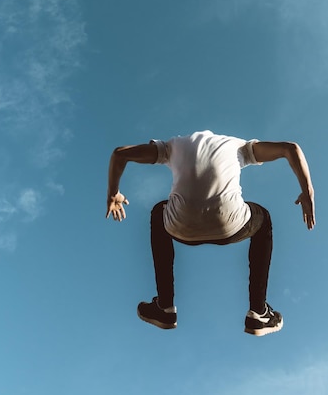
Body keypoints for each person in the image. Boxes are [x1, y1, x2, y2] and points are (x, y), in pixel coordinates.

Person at [106, 130, 315, 336]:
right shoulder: (239, 146)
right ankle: (258, 312)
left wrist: (113, 193)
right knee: (263, 218)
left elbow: (120, 153)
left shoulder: (171, 146)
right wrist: (307, 192)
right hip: (231, 224)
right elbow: (291, 148)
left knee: (159, 212)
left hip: (180, 226)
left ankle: (164, 307)